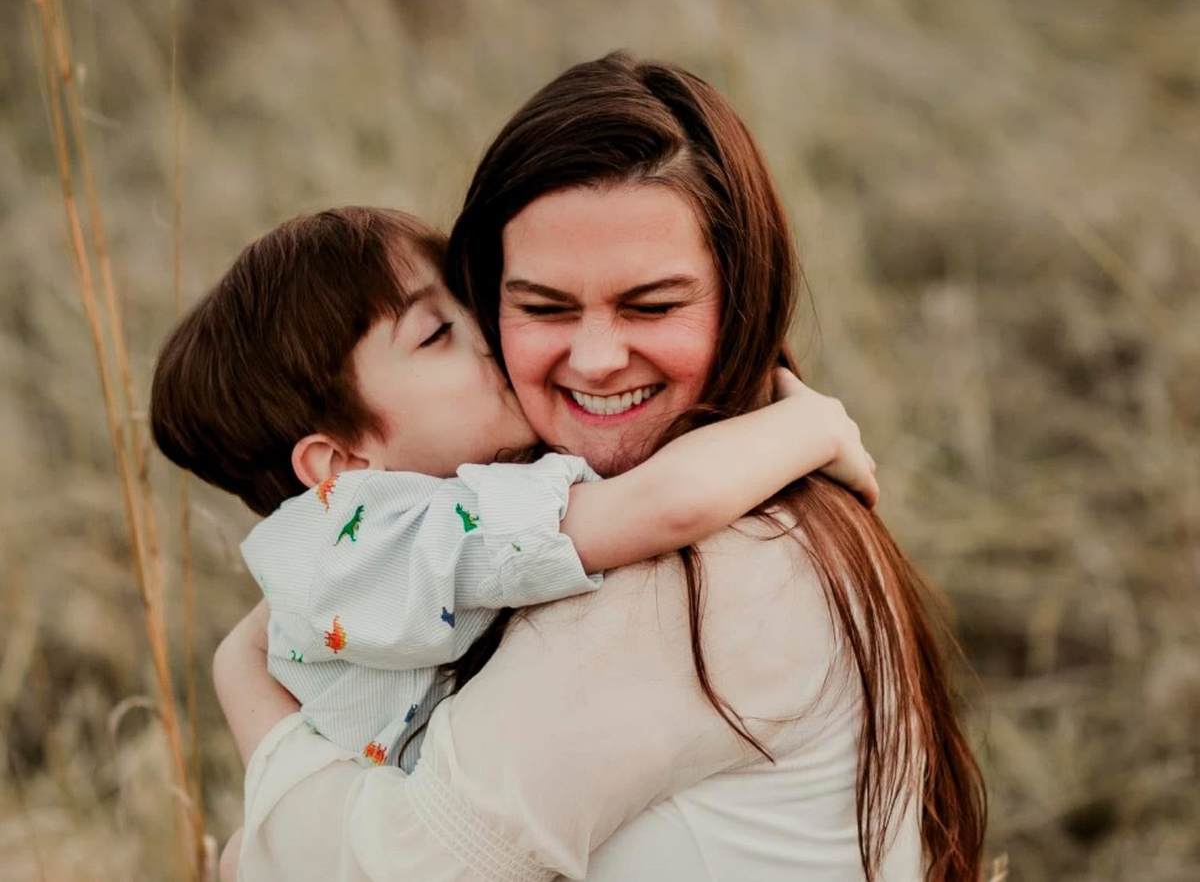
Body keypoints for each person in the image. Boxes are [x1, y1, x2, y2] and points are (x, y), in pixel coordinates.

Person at [217, 52, 986, 881]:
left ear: (743, 299)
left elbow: (402, 871)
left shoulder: (700, 574)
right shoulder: (679, 511)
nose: (595, 358)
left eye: (652, 305)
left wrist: (250, 703)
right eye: (543, 307)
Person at [150, 206, 877, 878]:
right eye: (436, 334)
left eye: (471, 304)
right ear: (340, 465)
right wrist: (808, 426)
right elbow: (664, 505)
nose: (491, 334)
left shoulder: (351, 548)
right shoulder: (406, 533)